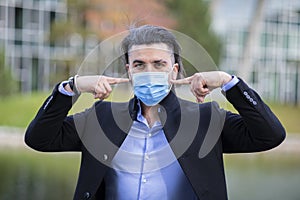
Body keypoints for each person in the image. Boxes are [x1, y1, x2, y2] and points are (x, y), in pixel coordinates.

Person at [25, 25, 285, 200]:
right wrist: (71, 87)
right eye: (139, 64)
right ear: (129, 71)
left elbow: (269, 135)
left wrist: (228, 81)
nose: (149, 71)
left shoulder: (206, 120)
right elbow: (39, 139)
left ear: (174, 70)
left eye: (159, 64)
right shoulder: (100, 119)